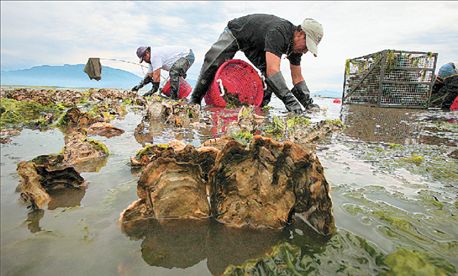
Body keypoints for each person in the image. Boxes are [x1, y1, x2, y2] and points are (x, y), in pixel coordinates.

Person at [188, 14, 323, 113]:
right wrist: (291, 102)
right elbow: (274, 71)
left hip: (256, 46)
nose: (305, 51)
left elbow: (297, 78)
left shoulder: (296, 49)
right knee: (213, 61)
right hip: (237, 32)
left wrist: (308, 104)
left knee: (270, 82)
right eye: (306, 46)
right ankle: (195, 100)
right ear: (300, 33)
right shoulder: (279, 32)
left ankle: (259, 109)